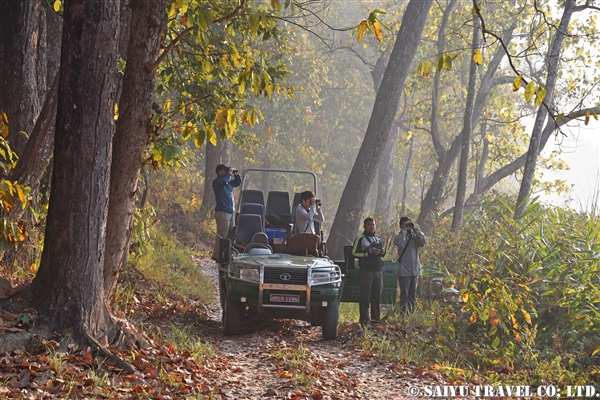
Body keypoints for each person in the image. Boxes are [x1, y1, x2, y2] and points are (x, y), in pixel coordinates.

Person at [352, 217, 386, 326]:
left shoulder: (378, 239)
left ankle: (376, 320)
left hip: (378, 271)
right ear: (364, 226)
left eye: (373, 225)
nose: (372, 227)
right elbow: (354, 253)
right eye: (369, 225)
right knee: (365, 297)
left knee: (376, 297)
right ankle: (364, 320)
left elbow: (382, 253)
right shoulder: (360, 238)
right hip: (366, 271)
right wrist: (368, 252)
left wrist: (382, 252)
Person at [394, 216, 427, 313]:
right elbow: (399, 243)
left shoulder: (414, 237)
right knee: (404, 296)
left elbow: (424, 241)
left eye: (409, 224)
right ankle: (404, 315)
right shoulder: (400, 237)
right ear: (400, 226)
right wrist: (403, 230)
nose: (408, 226)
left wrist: (415, 229)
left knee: (412, 296)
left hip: (414, 271)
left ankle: (411, 315)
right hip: (404, 271)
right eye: (406, 224)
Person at [212, 164, 242, 260]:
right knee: (222, 235)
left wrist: (236, 174)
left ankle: (226, 255)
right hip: (222, 212)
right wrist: (229, 174)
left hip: (230, 211)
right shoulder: (217, 182)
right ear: (220, 172)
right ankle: (217, 255)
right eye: (225, 171)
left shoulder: (228, 183)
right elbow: (224, 181)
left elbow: (237, 182)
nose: (226, 173)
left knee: (230, 234)